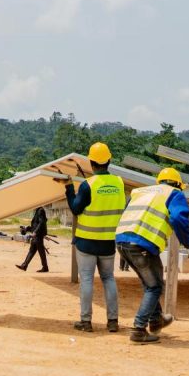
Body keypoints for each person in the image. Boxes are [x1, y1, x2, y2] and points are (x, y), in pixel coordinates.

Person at [115, 167, 189, 343]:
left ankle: (156, 320)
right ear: (177, 184)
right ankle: (139, 329)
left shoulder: (140, 192)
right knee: (154, 287)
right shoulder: (174, 193)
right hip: (142, 243)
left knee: (151, 283)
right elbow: (178, 219)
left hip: (122, 240)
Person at [65, 142, 125, 333]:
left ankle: (86, 321)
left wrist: (68, 189)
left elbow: (75, 208)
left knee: (87, 280)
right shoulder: (119, 182)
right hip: (108, 242)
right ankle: (113, 321)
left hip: (86, 242)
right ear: (109, 160)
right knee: (109, 279)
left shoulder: (87, 185)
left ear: (91, 163)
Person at [16, 206, 49, 272]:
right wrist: (27, 229)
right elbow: (36, 225)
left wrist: (35, 232)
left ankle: (44, 267)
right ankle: (25, 265)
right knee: (34, 250)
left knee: (38, 251)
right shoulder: (37, 211)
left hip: (38, 235)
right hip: (36, 235)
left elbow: (42, 222)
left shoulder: (40, 210)